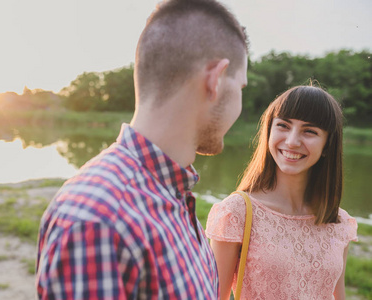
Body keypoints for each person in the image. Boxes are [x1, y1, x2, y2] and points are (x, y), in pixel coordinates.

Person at [36, 0, 248, 298]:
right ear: (215, 80)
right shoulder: (96, 221)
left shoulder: (173, 194)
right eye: (240, 88)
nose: (240, 104)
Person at [206, 85, 358, 300]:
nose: (292, 141)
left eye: (309, 131)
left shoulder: (339, 221)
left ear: (327, 145)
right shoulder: (236, 212)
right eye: (283, 126)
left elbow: (337, 296)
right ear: (269, 131)